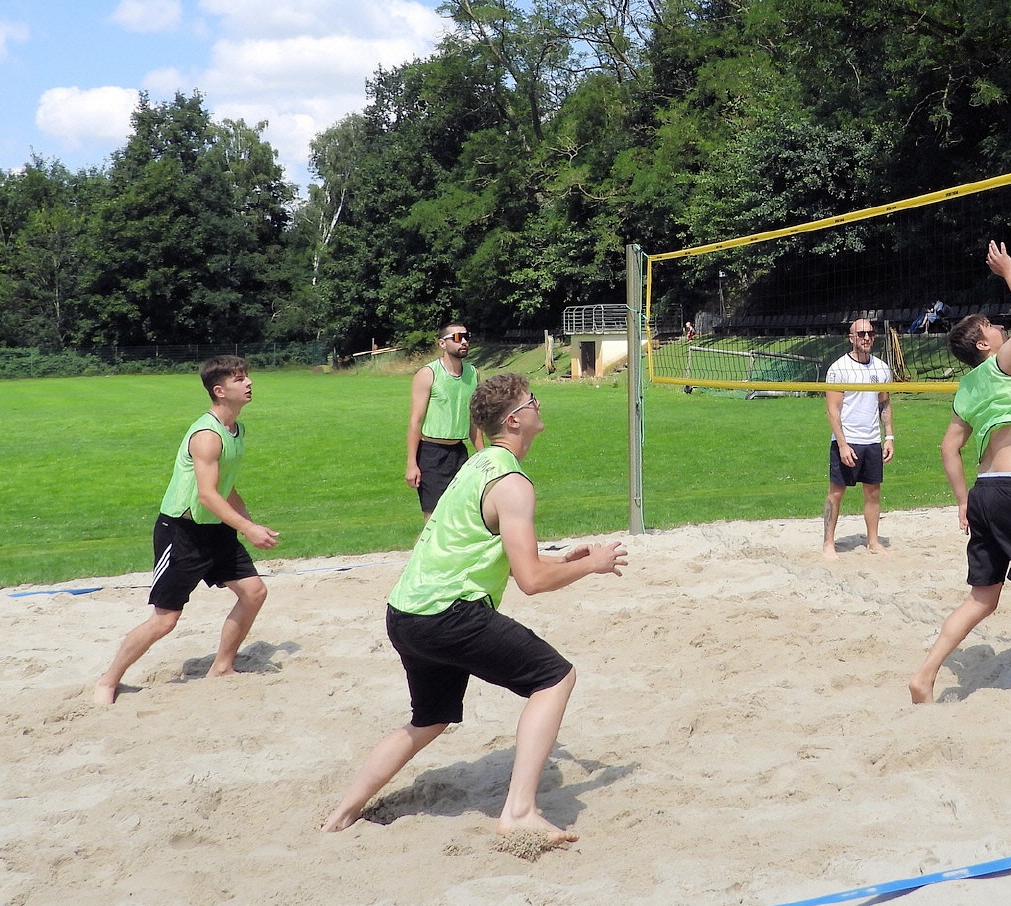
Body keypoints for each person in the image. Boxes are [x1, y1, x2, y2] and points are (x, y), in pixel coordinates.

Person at [323, 373, 629, 841]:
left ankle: (343, 813)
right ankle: (519, 812)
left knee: (429, 719)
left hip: (405, 613)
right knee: (555, 678)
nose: (539, 405)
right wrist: (593, 565)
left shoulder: (478, 464)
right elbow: (531, 581)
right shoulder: (512, 483)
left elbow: (498, 554)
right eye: (532, 400)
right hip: (449, 614)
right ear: (514, 420)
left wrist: (563, 560)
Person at [909, 242, 1011, 706]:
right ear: (984, 344)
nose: (1001, 328)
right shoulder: (1002, 365)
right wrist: (1009, 271)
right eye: (992, 327)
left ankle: (924, 675)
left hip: (983, 494)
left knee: (983, 598)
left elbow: (949, 447)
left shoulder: (968, 386)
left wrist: (963, 501)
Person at [93, 355, 278, 705]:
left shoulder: (236, 430)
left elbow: (225, 487)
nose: (249, 383)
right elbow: (207, 495)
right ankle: (108, 680)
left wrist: (250, 524)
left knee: (253, 592)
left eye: (247, 377)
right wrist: (247, 529)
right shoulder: (207, 435)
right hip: (182, 532)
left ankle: (222, 667)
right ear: (220, 391)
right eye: (240, 379)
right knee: (165, 620)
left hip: (216, 530)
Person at [822, 317, 895, 558]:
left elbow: (884, 404)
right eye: (861, 334)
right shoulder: (839, 369)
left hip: (872, 440)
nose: (866, 338)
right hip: (847, 440)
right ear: (851, 337)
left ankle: (873, 541)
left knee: (873, 493)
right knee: (836, 493)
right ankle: (828, 544)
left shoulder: (881, 368)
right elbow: (832, 411)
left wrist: (889, 437)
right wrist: (842, 444)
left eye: (870, 333)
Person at [406, 322, 481, 518]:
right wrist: (412, 464)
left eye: (466, 337)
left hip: (459, 453)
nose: (464, 342)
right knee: (434, 519)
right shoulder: (427, 374)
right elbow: (415, 421)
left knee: (460, 516)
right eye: (457, 338)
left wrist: (483, 456)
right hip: (431, 454)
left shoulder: (473, 374)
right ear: (442, 343)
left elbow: (474, 421)